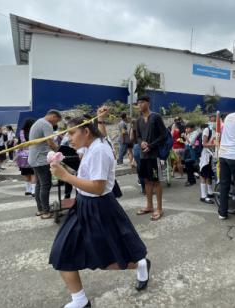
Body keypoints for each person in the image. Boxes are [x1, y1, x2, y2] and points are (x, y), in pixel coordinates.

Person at [49, 109, 150, 308]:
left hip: (98, 207)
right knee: (62, 253)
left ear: (86, 132)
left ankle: (141, 264)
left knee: (104, 256)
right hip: (83, 204)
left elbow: (98, 187)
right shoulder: (91, 146)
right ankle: (80, 300)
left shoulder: (99, 150)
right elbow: (95, 138)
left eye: (72, 133)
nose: (69, 139)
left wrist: (65, 176)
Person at [135, 95, 167, 221]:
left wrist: (151, 146)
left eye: (141, 102)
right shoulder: (138, 120)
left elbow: (164, 135)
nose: (139, 105)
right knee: (146, 180)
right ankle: (149, 206)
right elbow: (137, 136)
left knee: (156, 181)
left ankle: (159, 208)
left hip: (155, 155)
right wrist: (141, 142)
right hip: (143, 155)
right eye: (138, 103)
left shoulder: (156, 117)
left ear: (148, 103)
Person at [29, 109, 62, 219]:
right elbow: (50, 142)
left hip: (34, 158)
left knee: (39, 184)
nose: (55, 123)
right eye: (56, 121)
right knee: (45, 185)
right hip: (41, 159)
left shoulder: (38, 122)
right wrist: (58, 151)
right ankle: (46, 212)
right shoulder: (46, 124)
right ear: (53, 116)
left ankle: (41, 209)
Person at [16, 118, 36, 196]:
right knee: (33, 173)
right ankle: (33, 190)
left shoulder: (21, 133)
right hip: (33, 155)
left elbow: (19, 145)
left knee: (26, 173)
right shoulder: (34, 132)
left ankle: (27, 190)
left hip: (23, 157)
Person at [198, 123, 215, 204]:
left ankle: (210, 192)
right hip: (204, 155)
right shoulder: (207, 130)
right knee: (203, 174)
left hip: (211, 155)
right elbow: (204, 144)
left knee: (209, 174)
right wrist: (215, 144)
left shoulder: (216, 131)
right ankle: (203, 196)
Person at [183, 122, 200, 187]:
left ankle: (191, 181)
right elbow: (187, 143)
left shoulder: (195, 133)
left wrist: (185, 137)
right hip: (188, 151)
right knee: (188, 166)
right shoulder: (190, 133)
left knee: (189, 166)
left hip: (191, 151)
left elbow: (191, 142)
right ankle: (190, 180)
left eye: (187, 128)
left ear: (191, 128)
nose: (186, 129)